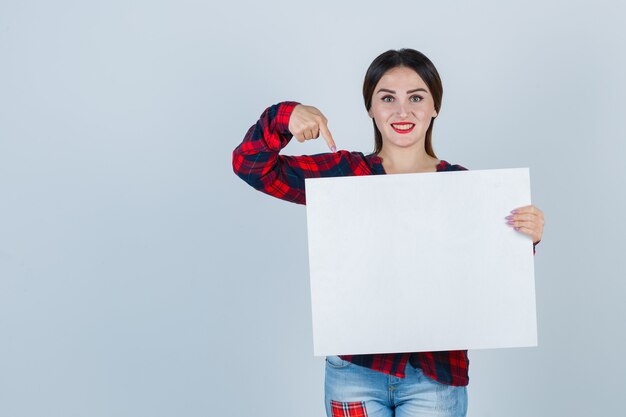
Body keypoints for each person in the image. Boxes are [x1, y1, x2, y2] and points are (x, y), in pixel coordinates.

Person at [232, 48, 545, 417]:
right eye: (387, 98)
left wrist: (528, 238)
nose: (402, 111)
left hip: (436, 375)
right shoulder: (345, 176)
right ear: (370, 108)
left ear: (435, 107)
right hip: (354, 371)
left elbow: (487, 279)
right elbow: (252, 167)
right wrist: (285, 116)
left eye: (416, 97)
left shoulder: (465, 187)